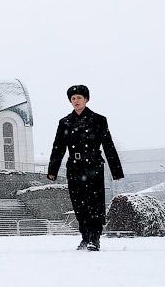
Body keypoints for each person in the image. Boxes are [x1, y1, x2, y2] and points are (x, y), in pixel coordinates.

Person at [47, 85, 124, 251]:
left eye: (79, 98)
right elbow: (58, 147)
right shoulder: (65, 122)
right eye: (73, 98)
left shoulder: (99, 120)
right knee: (78, 204)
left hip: (94, 166)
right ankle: (85, 237)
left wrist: (116, 171)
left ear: (86, 99)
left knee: (94, 203)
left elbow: (108, 145)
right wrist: (52, 170)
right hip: (74, 167)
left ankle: (94, 238)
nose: (76, 101)